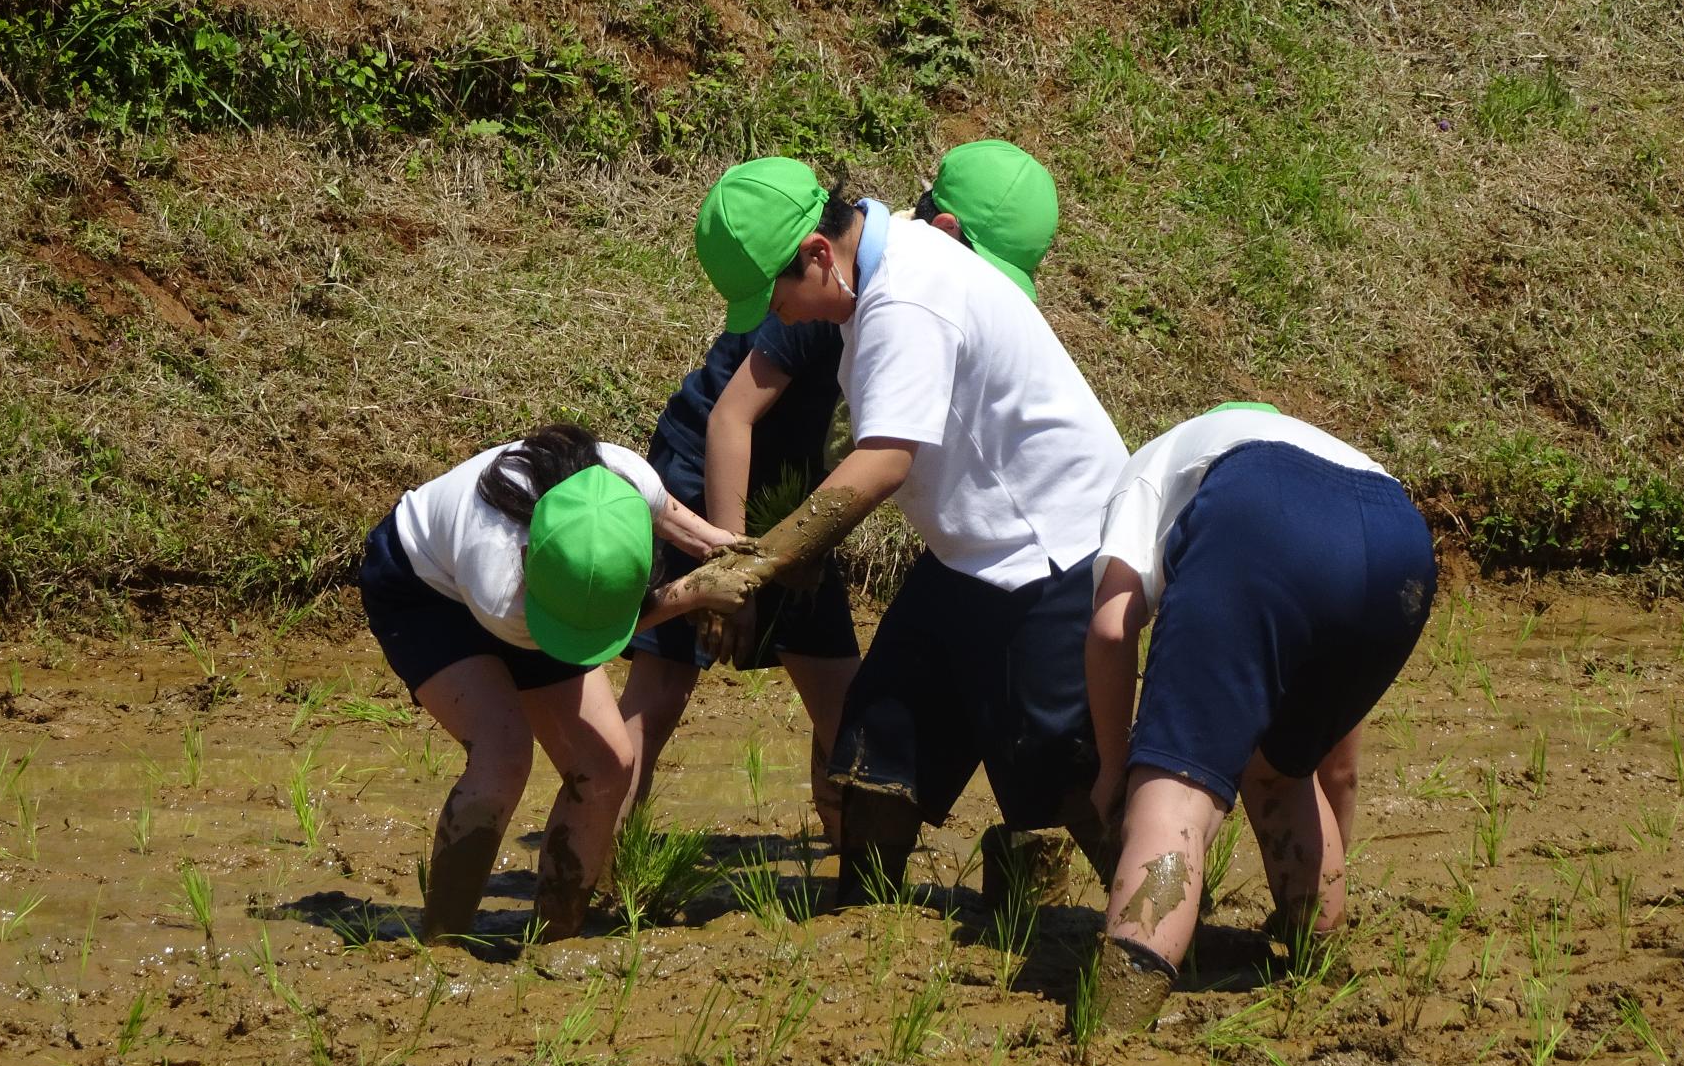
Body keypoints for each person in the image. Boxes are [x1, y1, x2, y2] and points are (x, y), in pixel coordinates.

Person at [680, 154, 1125, 902]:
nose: (775, 317)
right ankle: (861, 912)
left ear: (819, 255)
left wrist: (753, 564)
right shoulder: (883, 265)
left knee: (1064, 763)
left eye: (776, 297)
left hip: (1052, 548)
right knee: (880, 737)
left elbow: (884, 460)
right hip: (967, 551)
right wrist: (799, 548)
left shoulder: (906, 298)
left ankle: (1166, 937)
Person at [617, 141, 1063, 849]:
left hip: (792, 500)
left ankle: (848, 856)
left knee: (842, 699)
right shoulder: (810, 297)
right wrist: (733, 562)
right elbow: (730, 421)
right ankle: (596, 856)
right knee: (664, 683)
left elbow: (860, 448)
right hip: (706, 486)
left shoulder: (896, 294)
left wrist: (798, 548)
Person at [1084, 403, 1437, 1028]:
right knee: (1280, 768)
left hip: (1259, 512)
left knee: (1176, 788)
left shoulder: (1144, 470)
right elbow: (1338, 763)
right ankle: (1316, 948)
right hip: (1399, 539)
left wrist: (1115, 770)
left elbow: (1113, 629)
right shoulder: (1314, 446)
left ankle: (1115, 1018)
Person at [355, 422, 750, 944]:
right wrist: (692, 594)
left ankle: (555, 936)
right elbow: (566, 640)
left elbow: (703, 538)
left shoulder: (627, 482)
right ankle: (443, 942)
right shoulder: (501, 584)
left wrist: (748, 557)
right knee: (502, 754)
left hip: (551, 592)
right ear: (527, 559)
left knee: (608, 763)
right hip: (424, 588)